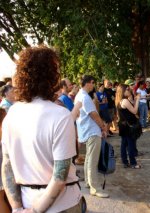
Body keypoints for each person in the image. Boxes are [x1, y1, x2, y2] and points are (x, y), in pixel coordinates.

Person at [1, 46, 83, 212]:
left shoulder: (12, 114)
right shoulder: (60, 116)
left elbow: (7, 166)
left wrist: (17, 208)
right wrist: (35, 210)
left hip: (26, 202)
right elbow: (59, 177)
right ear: (52, 77)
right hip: (62, 205)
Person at [75, 75, 109, 198]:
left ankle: (89, 183)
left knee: (89, 159)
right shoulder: (85, 97)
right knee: (92, 161)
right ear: (88, 83)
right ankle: (95, 188)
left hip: (87, 131)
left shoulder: (80, 95)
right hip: (92, 132)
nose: (94, 85)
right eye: (93, 82)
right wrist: (103, 127)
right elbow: (94, 114)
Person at [116, 84, 142, 169]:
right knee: (130, 144)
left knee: (124, 144)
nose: (128, 90)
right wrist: (137, 100)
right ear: (123, 91)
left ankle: (125, 162)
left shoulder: (119, 100)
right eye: (127, 89)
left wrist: (133, 99)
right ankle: (133, 163)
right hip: (128, 126)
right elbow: (134, 111)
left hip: (123, 125)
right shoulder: (124, 101)